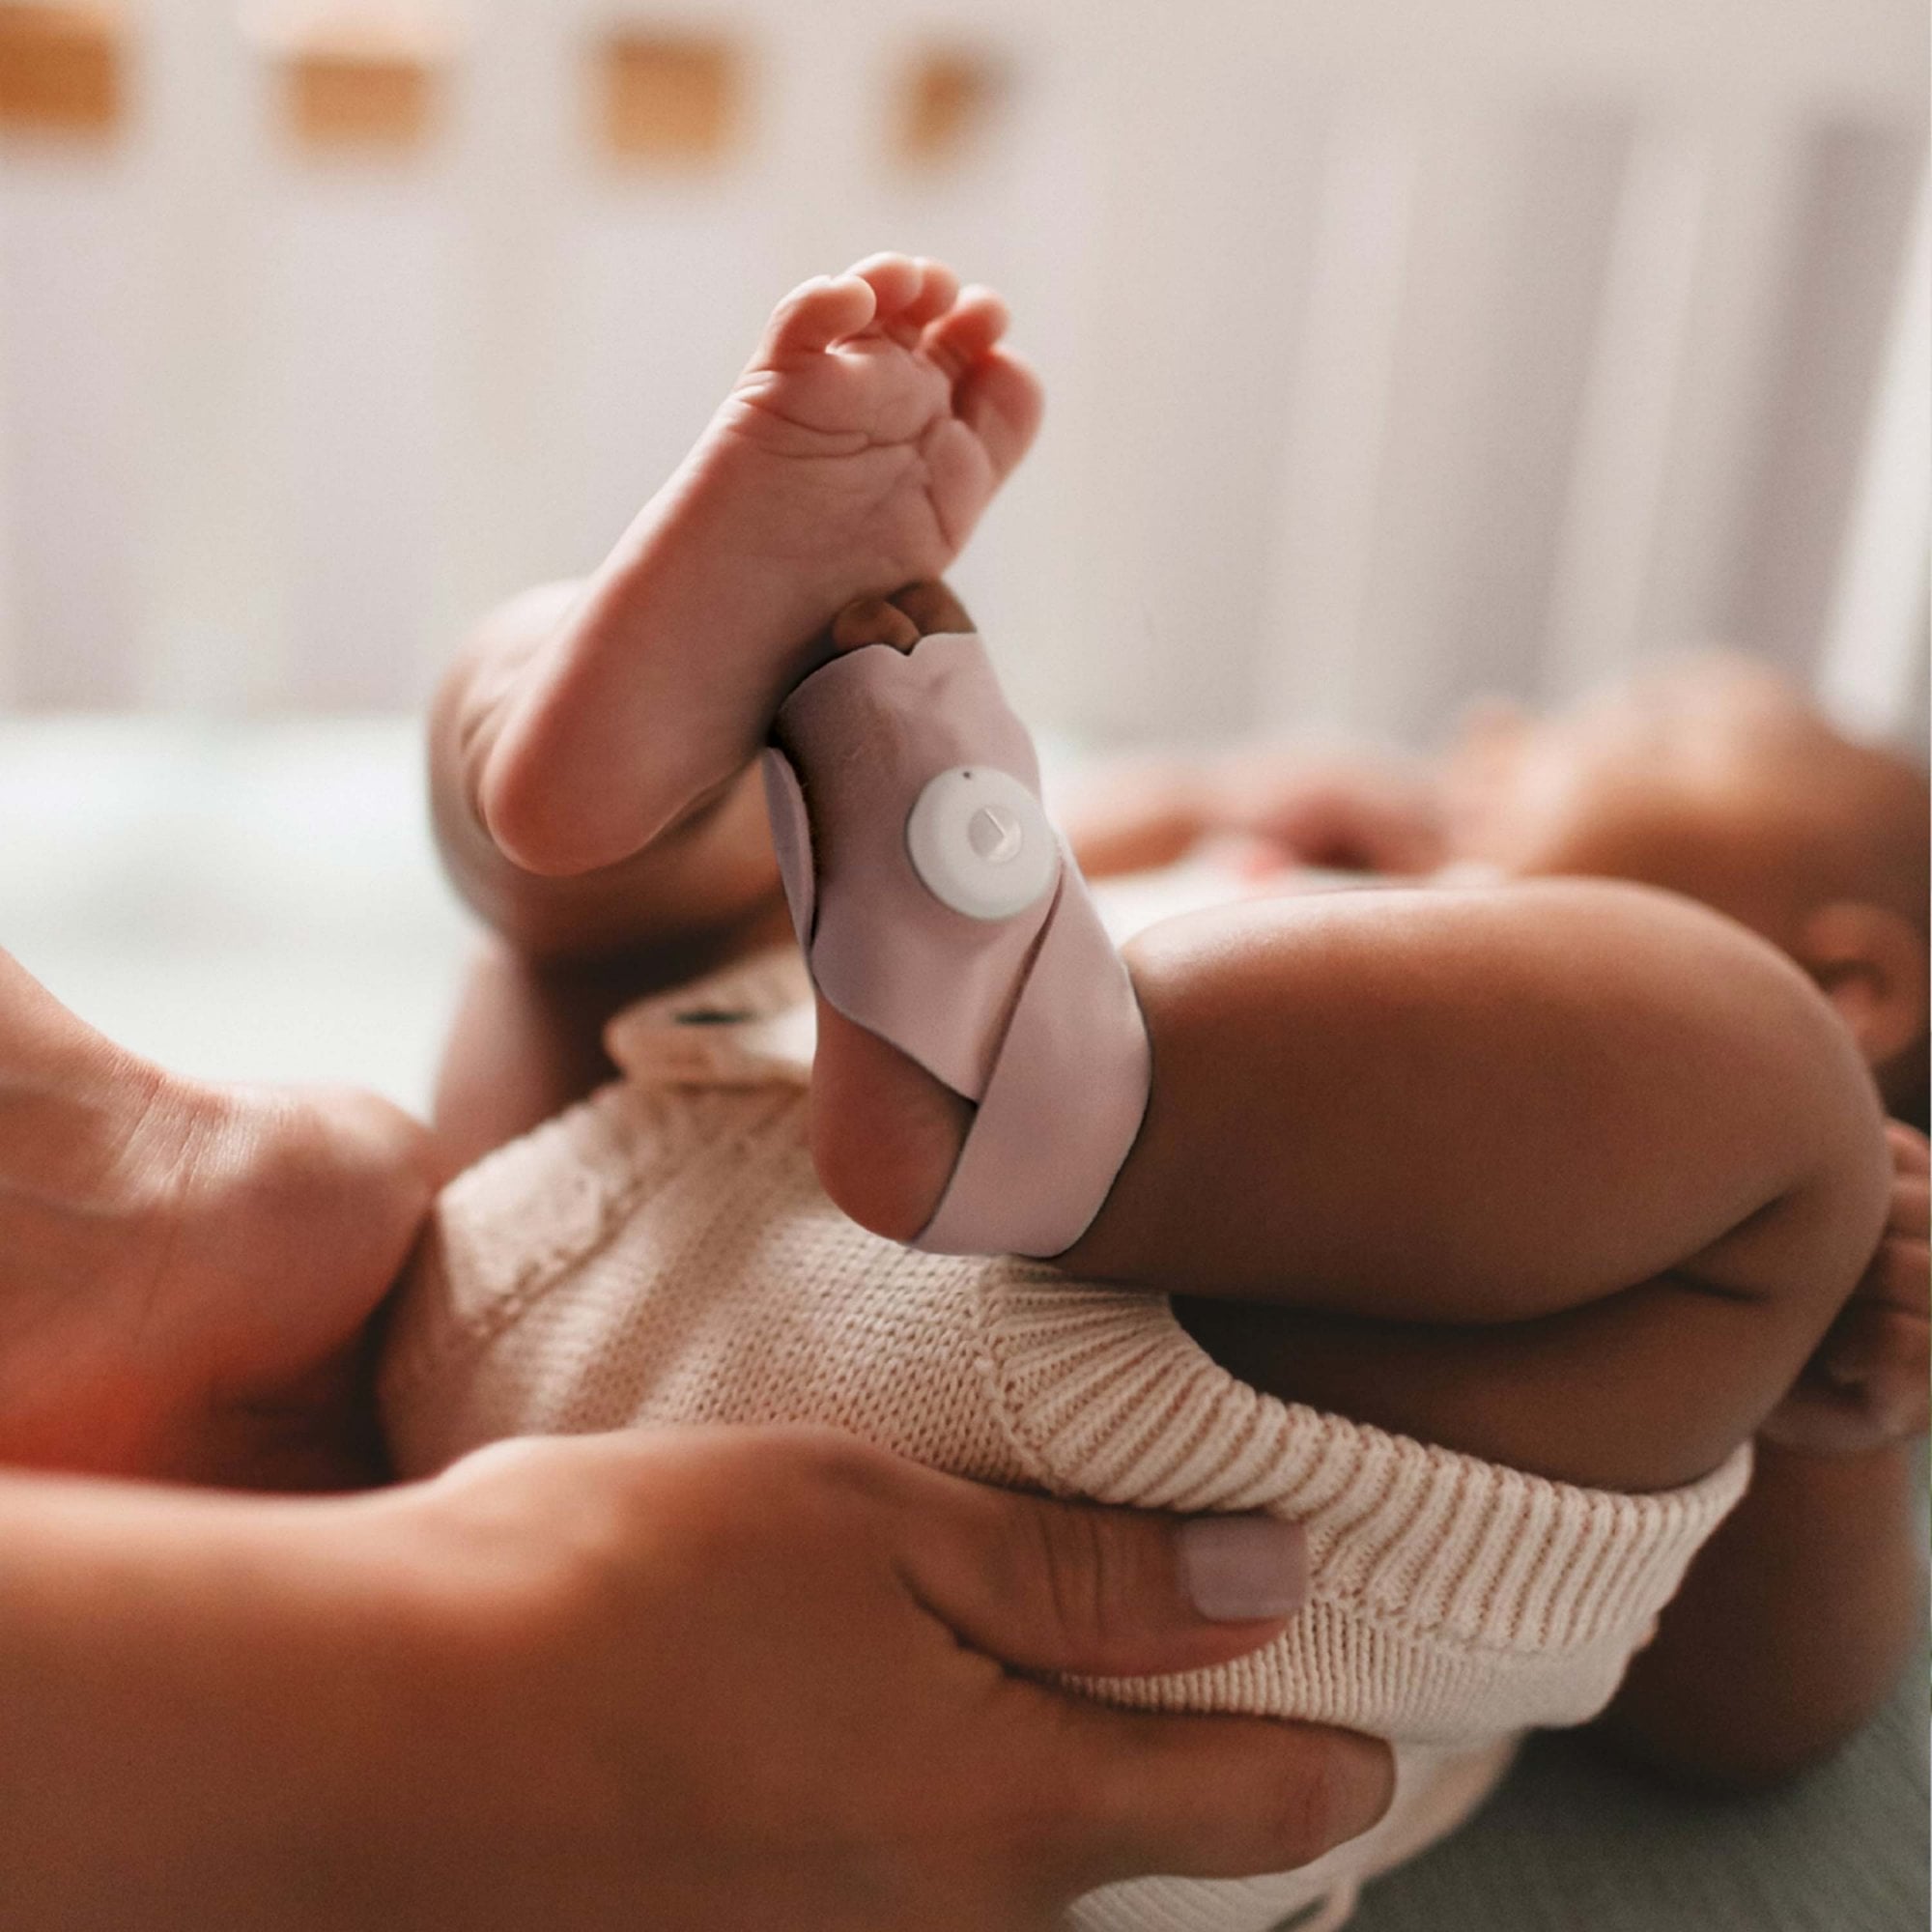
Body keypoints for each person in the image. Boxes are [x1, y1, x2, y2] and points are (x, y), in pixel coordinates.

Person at [383, 252, 1928, 1927]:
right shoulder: (1266, 857)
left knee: (1757, 1082)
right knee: (634, 888)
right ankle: (587, 767)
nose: (1484, 729)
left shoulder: (1718, 1170)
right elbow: (949, 836)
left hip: (1133, 1564)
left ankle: (991, 1052)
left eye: (1622, 723)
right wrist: (1195, 802)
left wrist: (1825, 1410)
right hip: (617, 1220)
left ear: (1862, 981)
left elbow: (1744, 1723)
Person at [0, 945, 1395, 1928]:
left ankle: (602, 834)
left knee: (593, 942)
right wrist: (410, 1718)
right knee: (588, 914)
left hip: (620, 1287)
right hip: (912, 1554)